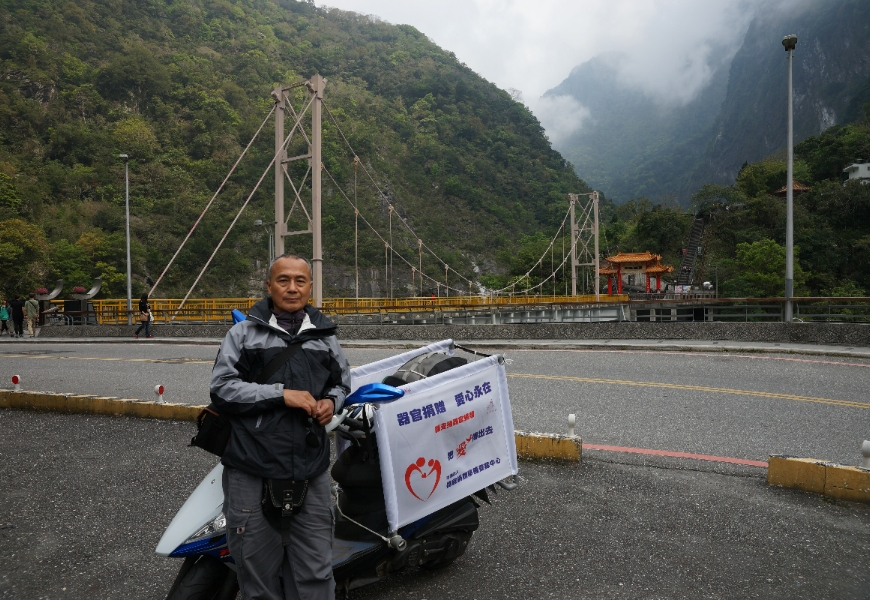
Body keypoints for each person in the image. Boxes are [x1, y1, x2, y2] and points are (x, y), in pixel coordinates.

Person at [210, 254, 350, 600]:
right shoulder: (243, 333)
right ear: (269, 285)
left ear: (310, 287)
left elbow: (342, 383)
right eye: (283, 280)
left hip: (310, 467)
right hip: (250, 466)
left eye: (300, 281)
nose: (292, 287)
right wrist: (280, 394)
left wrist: (331, 403)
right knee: (256, 572)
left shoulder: (325, 335)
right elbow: (222, 388)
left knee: (317, 570)